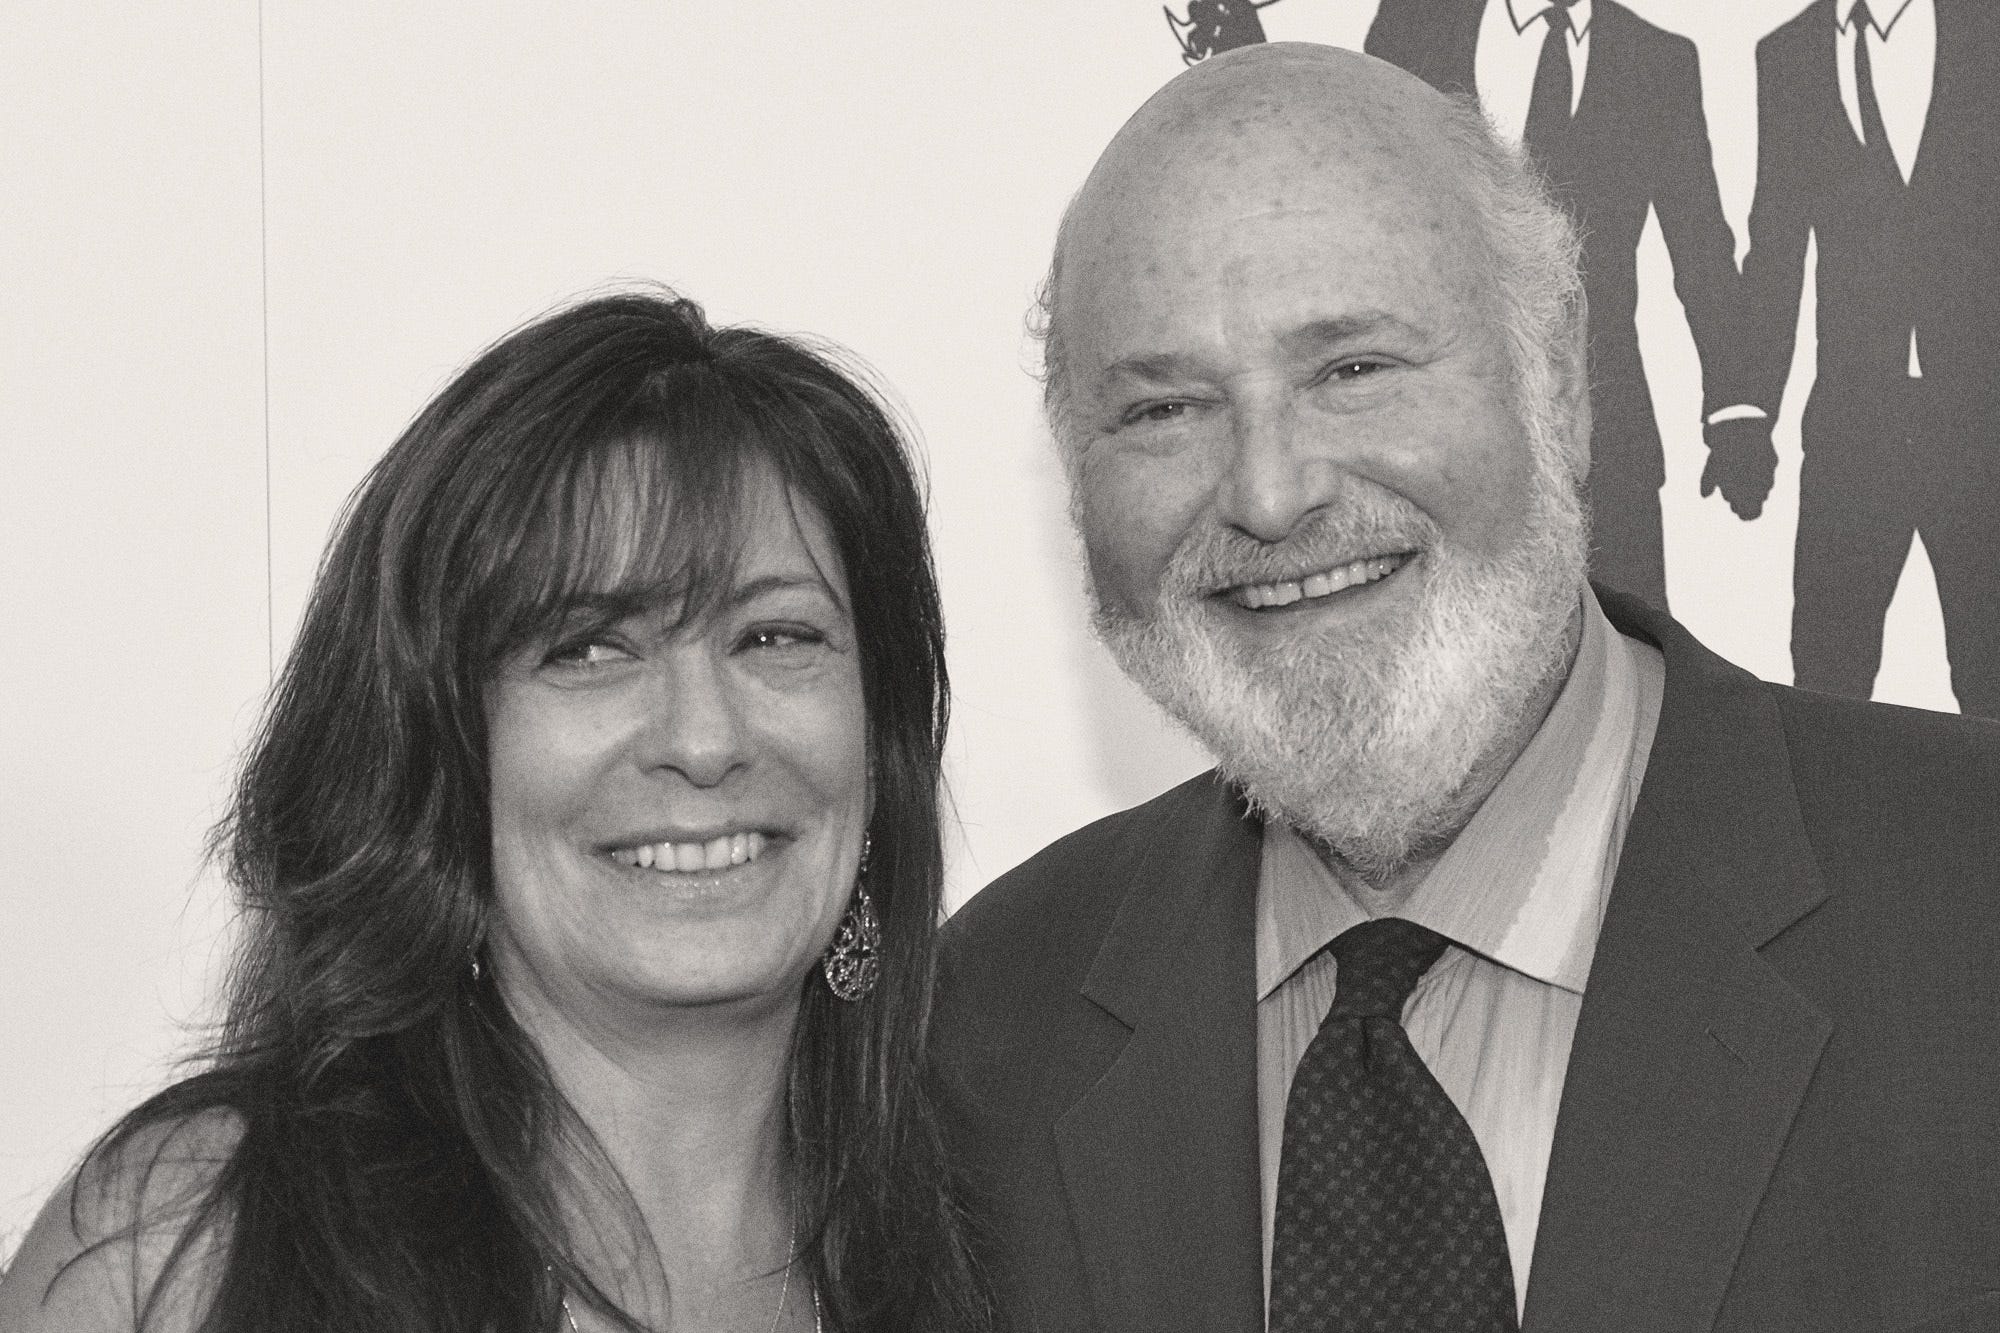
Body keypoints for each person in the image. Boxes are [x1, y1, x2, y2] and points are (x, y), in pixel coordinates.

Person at [936, 43, 2000, 1333]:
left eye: (1351, 370)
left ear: (1553, 376)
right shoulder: (979, 1034)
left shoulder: (1966, 892)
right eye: (1164, 410)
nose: (1267, 492)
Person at [0, 292, 988, 1332]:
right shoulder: (188, 1249)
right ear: (438, 754)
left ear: (878, 732)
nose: (703, 740)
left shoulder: (1012, 1234)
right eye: (589, 648)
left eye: (776, 637)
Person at [1365, 0, 1740, 614]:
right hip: (1404, 431)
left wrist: (1734, 409)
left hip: (1610, 423)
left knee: (1623, 642)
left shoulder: (1658, 60)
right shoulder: (1409, 29)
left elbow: (1701, 247)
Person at [1703, 0, 2000, 719]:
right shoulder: (1789, 55)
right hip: (1852, 429)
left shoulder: (1984, 30)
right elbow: (1776, 245)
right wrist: (1745, 414)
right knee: (1825, 686)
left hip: (1983, 433)